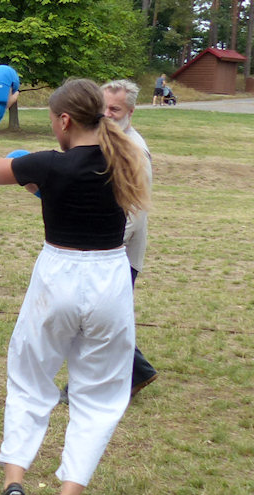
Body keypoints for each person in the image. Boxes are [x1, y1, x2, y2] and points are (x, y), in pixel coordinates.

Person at [0, 71, 149, 495]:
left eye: (52, 120)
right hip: (110, 278)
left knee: (29, 379)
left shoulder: (48, 164)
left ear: (65, 120)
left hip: (58, 274)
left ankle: (14, 488)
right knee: (100, 396)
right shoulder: (127, 158)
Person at [102, 79, 159, 397]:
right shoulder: (105, 142)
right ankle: (136, 373)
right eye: (103, 107)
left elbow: (135, 212)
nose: (107, 114)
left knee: (103, 319)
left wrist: (105, 246)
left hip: (118, 253)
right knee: (102, 318)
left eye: (115, 109)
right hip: (103, 250)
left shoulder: (134, 152)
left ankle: (133, 374)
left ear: (131, 112)